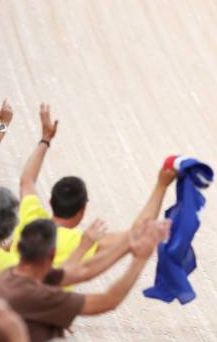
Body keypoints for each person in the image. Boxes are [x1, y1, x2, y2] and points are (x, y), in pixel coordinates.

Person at [11, 104, 177, 266]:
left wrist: (45, 139)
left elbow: (27, 180)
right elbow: (137, 234)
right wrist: (161, 186)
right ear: (83, 210)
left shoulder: (30, 217)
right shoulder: (80, 243)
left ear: (51, 201)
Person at [0, 218, 170, 342]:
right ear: (52, 254)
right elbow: (108, 301)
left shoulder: (12, 276)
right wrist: (140, 259)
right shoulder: (36, 296)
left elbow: (82, 271)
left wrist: (129, 243)